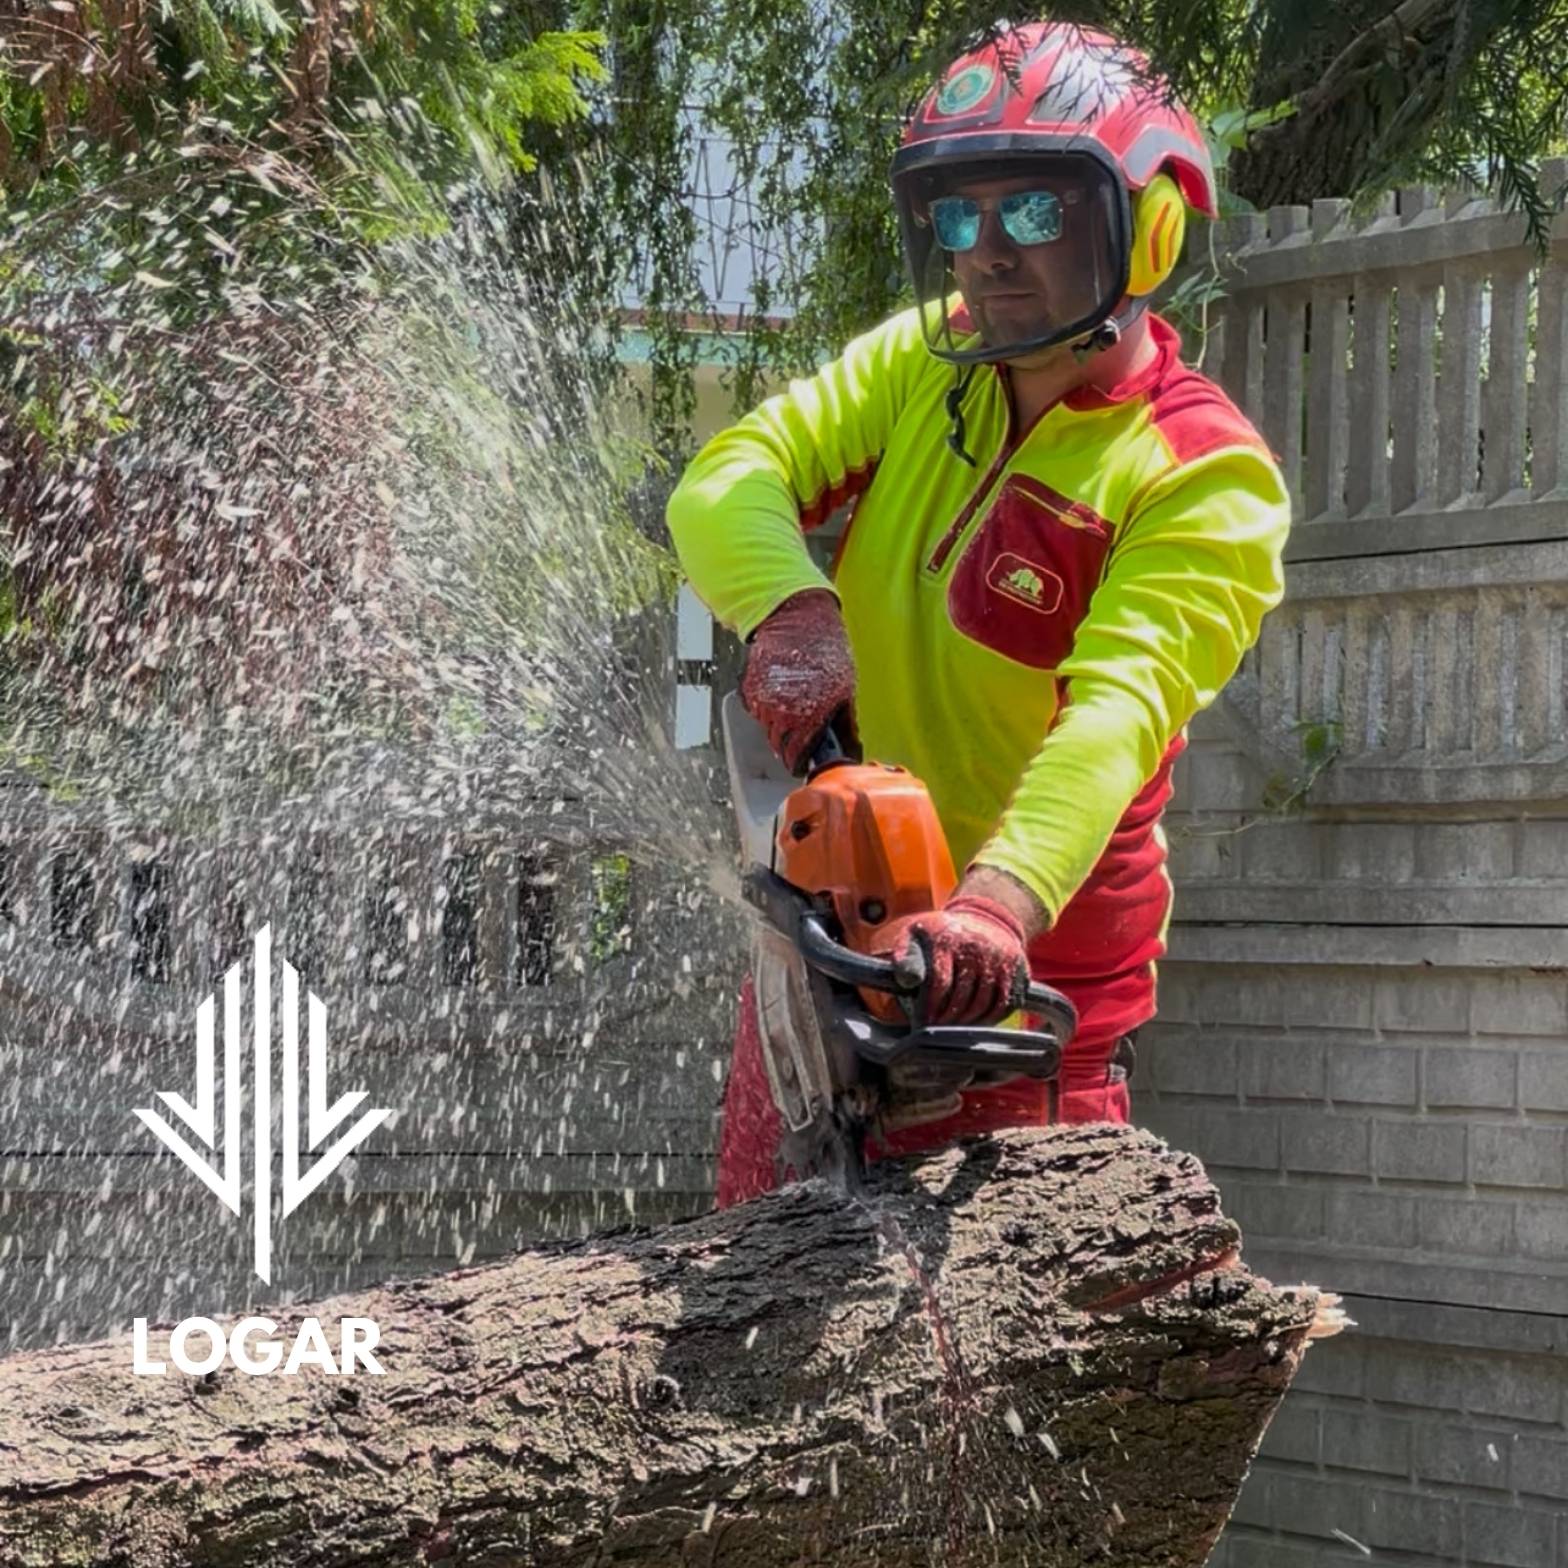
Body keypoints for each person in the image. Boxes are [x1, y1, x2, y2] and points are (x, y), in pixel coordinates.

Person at [667, 21, 1292, 1207]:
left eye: (1036, 212)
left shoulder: (1200, 474)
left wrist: (991, 907)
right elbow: (723, 481)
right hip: (823, 959)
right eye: (958, 218)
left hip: (1009, 1007)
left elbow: (1112, 720)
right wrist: (790, 608)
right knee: (736, 1283)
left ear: (1149, 225)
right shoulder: (924, 364)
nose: (988, 254)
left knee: (998, 1320)